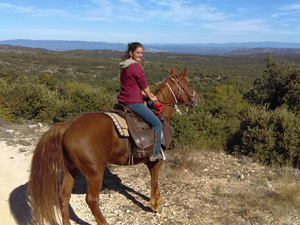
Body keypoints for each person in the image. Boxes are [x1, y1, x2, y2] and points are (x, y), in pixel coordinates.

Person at [118, 42, 163, 161]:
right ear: (131, 53)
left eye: (142, 53)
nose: (140, 55)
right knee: (157, 123)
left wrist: (146, 94)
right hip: (133, 102)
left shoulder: (124, 65)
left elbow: (131, 86)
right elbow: (143, 84)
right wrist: (150, 96)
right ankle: (156, 153)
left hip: (123, 99)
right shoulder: (136, 66)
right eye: (138, 52)